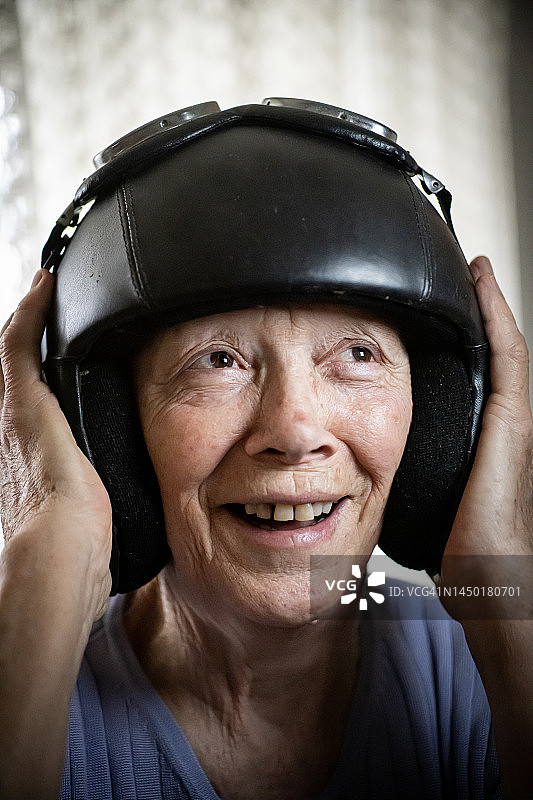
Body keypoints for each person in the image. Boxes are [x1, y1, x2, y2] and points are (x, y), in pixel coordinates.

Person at [0, 100, 531, 800]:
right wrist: (39, 587)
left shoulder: (483, 655)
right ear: (107, 429)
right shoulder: (29, 684)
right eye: (216, 361)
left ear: (442, 415)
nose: (293, 429)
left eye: (357, 354)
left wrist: (508, 590)